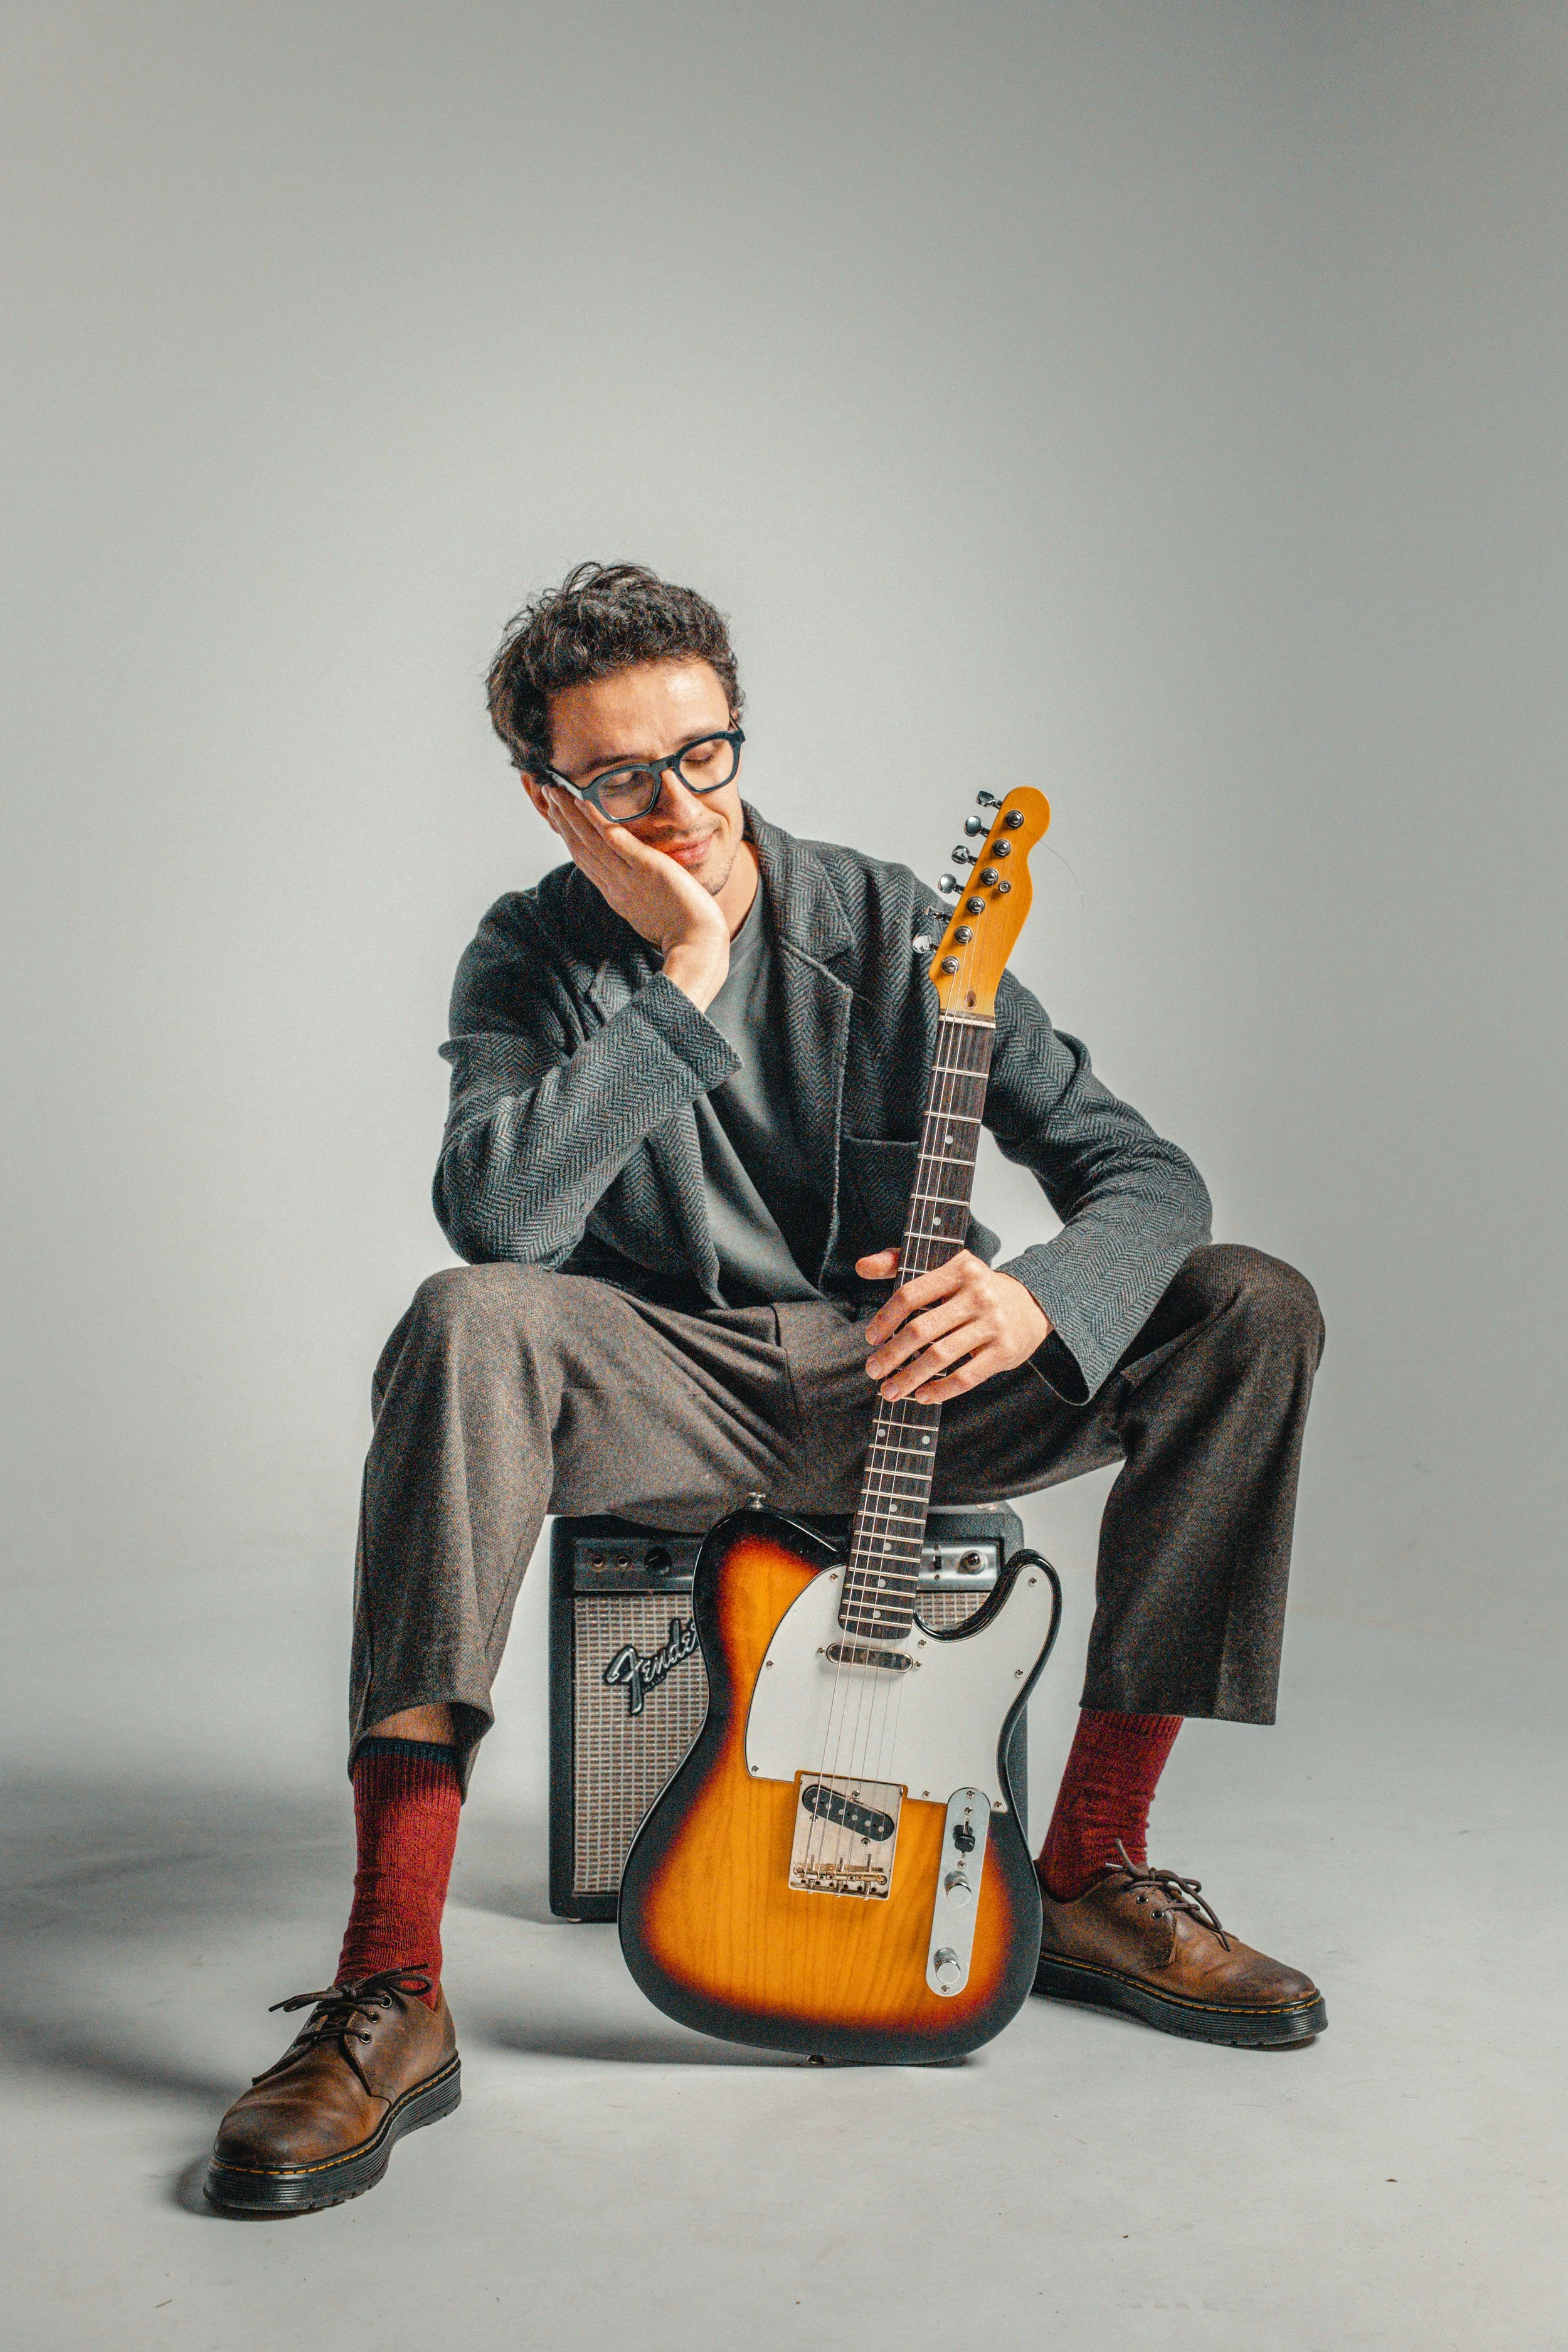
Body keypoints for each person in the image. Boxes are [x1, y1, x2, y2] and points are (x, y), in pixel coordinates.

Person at [204, 563, 1327, 2217]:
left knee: (1248, 1305)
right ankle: (392, 1984)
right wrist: (685, 975)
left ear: (739, 731)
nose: (678, 804)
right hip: (665, 1388)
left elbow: (1143, 1174)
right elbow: (500, 1217)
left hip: (911, 1388)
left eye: (705, 753)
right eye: (619, 778)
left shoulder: (893, 923)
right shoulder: (526, 958)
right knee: (465, 1320)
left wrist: (1028, 1300)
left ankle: (1088, 1866)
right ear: (547, 796)